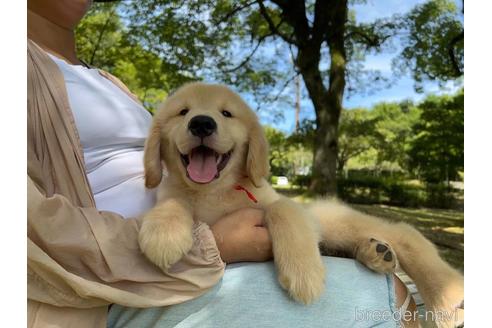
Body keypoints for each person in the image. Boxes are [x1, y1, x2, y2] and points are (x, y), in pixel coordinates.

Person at [27, 0, 416, 327]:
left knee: (378, 273)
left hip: (199, 253)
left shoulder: (105, 80)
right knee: (387, 300)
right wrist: (215, 245)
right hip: (119, 291)